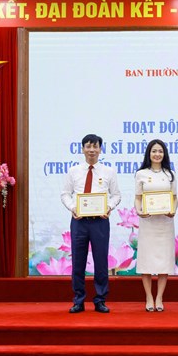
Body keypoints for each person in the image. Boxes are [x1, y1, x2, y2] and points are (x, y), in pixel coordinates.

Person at [61, 134, 121, 314]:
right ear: (82, 149)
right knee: (78, 261)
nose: (92, 150)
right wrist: (73, 207)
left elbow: (116, 195)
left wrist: (109, 207)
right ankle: (78, 300)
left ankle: (100, 299)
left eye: (95, 147)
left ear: (100, 149)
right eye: (88, 146)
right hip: (79, 221)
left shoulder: (109, 171)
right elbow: (65, 194)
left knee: (101, 261)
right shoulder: (74, 171)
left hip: (100, 222)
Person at [134, 139, 178, 312]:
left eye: (160, 151)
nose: (157, 154)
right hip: (148, 222)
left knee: (163, 260)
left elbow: (174, 198)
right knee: (146, 260)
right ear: (149, 154)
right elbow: (138, 197)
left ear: (164, 154)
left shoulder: (170, 174)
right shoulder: (141, 174)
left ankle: (159, 297)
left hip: (165, 223)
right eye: (154, 151)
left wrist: (172, 211)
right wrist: (139, 211)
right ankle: (148, 297)